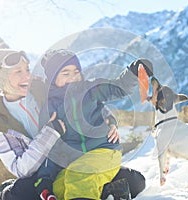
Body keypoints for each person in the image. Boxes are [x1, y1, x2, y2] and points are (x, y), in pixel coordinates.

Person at [0, 49, 147, 200]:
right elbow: (21, 169)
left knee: (135, 180)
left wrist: (110, 122)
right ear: (2, 78)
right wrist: (50, 134)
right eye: (18, 72)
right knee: (22, 192)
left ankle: (97, 191)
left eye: (27, 69)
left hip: (76, 159)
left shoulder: (45, 88)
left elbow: (87, 103)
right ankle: (8, 191)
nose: (27, 76)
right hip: (42, 171)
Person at [35, 49, 153, 200]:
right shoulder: (49, 109)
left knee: (79, 178)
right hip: (76, 160)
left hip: (104, 150)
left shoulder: (89, 89)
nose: (72, 77)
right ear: (52, 78)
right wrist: (44, 180)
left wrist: (134, 71)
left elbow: (118, 87)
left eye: (76, 71)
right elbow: (52, 148)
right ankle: (110, 192)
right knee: (61, 187)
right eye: (65, 73)